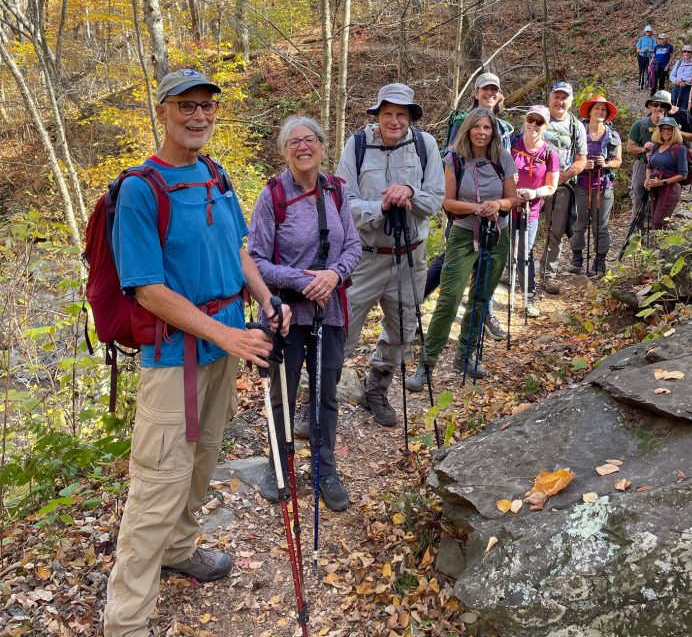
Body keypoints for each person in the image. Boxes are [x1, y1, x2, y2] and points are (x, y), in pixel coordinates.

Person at [104, 69, 289, 637]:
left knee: (202, 464)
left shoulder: (215, 174)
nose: (199, 115)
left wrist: (266, 298)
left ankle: (180, 549)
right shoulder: (140, 190)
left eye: (206, 105)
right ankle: (126, 622)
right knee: (157, 487)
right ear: (162, 111)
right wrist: (226, 336)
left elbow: (238, 250)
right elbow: (147, 289)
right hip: (173, 361)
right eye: (186, 106)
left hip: (223, 351)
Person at [247, 117, 361, 512]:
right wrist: (301, 280)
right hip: (285, 315)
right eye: (293, 142)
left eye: (309, 139)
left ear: (322, 145)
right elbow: (255, 260)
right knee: (283, 391)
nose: (302, 147)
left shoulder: (337, 191)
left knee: (326, 392)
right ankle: (278, 465)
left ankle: (325, 469)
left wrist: (333, 275)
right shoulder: (273, 196)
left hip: (330, 311)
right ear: (284, 151)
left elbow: (353, 247)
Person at [337, 83, 444, 427]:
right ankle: (316, 399)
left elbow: (436, 198)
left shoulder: (425, 145)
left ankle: (376, 388)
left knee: (403, 330)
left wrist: (410, 192)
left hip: (410, 258)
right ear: (377, 115)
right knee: (340, 329)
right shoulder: (356, 145)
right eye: (388, 113)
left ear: (410, 117)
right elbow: (343, 202)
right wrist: (381, 206)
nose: (394, 120)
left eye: (401, 114)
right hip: (364, 257)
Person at [405, 109, 518, 389]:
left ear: (493, 131)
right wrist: (478, 208)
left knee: (481, 297)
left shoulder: (503, 157)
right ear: (467, 129)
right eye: (476, 127)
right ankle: (426, 366)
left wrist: (498, 204)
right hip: (464, 234)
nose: (482, 132)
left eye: (487, 127)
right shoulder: (454, 159)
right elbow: (448, 202)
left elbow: (513, 198)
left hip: (497, 234)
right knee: (449, 298)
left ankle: (466, 355)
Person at [429, 71, 514, 341]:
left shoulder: (502, 127)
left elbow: (506, 165)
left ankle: (482, 318)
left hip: (495, 215)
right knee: (450, 262)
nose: (489, 94)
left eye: (494, 90)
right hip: (464, 211)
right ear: (476, 93)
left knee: (485, 271)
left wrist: (505, 195)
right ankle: (417, 302)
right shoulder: (462, 121)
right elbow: (454, 156)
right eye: (484, 89)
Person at [538, 82, 587, 295]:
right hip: (533, 183)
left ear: (571, 101)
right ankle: (514, 269)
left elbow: (581, 159)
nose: (560, 101)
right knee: (522, 227)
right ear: (550, 98)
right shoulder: (538, 118)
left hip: (562, 186)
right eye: (556, 97)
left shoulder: (576, 126)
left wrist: (565, 175)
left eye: (564, 98)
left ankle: (548, 275)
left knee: (555, 230)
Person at [509, 106, 560, 314]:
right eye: (531, 119)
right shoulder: (511, 143)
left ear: (545, 126)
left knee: (525, 252)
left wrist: (534, 193)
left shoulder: (550, 153)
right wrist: (511, 190)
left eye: (539, 122)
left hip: (531, 209)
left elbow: (551, 186)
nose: (533, 125)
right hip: (506, 207)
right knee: (503, 250)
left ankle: (528, 298)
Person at [568, 96, 622, 278]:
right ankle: (577, 257)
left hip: (603, 185)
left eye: (603, 109)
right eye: (597, 108)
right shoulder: (578, 132)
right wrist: (583, 165)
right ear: (589, 112)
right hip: (581, 185)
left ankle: (600, 261)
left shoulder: (612, 135)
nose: (600, 112)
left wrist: (605, 164)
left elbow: (618, 161)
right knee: (579, 222)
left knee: (601, 225)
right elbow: (569, 158)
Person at [626, 94, 670, 217]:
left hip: (664, 167)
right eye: (655, 104)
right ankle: (636, 227)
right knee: (638, 197)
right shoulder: (640, 125)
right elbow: (630, 147)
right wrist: (644, 149)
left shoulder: (671, 127)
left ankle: (658, 226)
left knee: (661, 199)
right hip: (642, 164)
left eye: (662, 105)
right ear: (650, 106)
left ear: (666, 108)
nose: (658, 108)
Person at [645, 116, 688, 228]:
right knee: (655, 222)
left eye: (669, 129)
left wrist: (662, 182)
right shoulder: (656, 146)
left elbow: (683, 174)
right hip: (655, 188)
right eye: (663, 129)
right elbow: (649, 167)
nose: (666, 131)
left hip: (670, 189)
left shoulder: (680, 148)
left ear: (674, 131)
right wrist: (648, 180)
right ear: (659, 130)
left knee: (659, 222)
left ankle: (668, 239)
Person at [668, 45, 692, 111]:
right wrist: (677, 81)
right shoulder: (678, 63)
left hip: (688, 88)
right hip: (677, 87)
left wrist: (685, 82)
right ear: (682, 53)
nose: (686, 53)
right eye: (684, 51)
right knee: (673, 106)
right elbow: (672, 75)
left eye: (689, 52)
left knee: (684, 108)